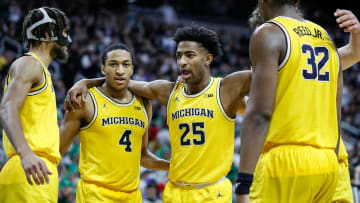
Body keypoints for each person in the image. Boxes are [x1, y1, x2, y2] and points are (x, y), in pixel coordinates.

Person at [65, 25, 251, 202]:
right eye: (179, 56)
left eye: (190, 55)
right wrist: (85, 82)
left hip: (211, 191)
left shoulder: (225, 89)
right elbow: (119, 81)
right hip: (175, 191)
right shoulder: (168, 91)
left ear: (208, 59)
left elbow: (270, 76)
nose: (182, 62)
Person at [235, 1, 359, 202]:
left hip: (286, 159)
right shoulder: (323, 36)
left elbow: (260, 114)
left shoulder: (270, 36)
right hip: (328, 160)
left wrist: (243, 184)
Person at [60, 43, 169, 202]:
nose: (120, 70)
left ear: (132, 69)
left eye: (126, 65)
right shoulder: (85, 100)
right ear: (103, 69)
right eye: (113, 65)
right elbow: (58, 149)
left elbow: (142, 155)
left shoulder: (144, 103)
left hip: (132, 196)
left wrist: (172, 166)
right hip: (95, 195)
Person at [0, 7, 71, 202]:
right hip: (28, 170)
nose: (68, 40)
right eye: (64, 32)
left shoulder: (41, 71)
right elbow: (7, 108)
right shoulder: (30, 64)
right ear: (48, 34)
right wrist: (26, 154)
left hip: (38, 171)